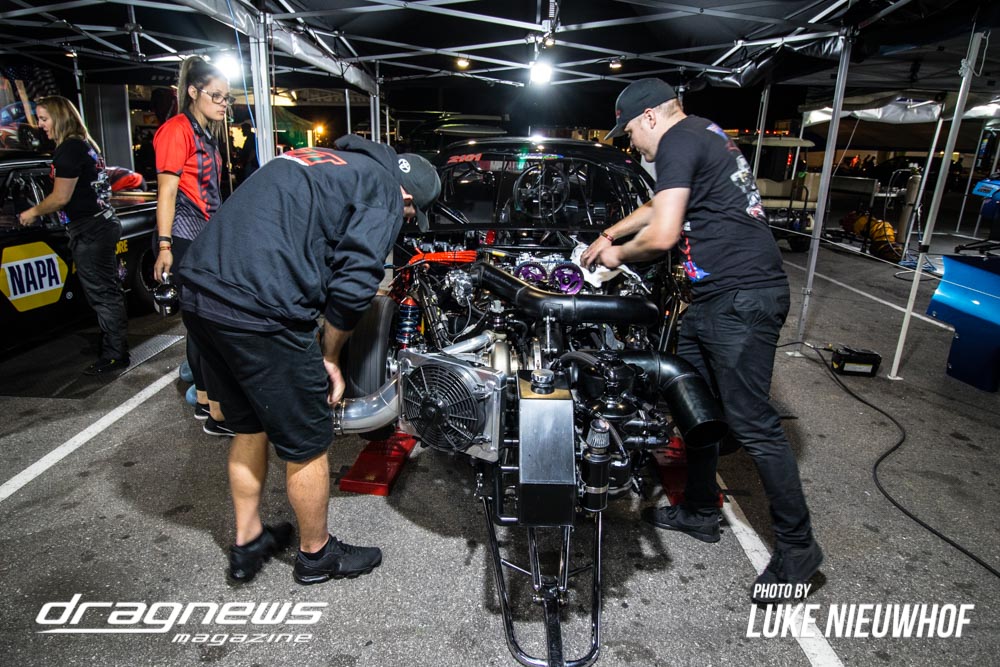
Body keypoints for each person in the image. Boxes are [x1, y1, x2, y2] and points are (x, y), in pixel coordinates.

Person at [581, 78, 822, 604]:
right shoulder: (698, 134)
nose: (631, 144)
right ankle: (699, 509)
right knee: (693, 404)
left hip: (741, 298)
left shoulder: (678, 140)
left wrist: (616, 256)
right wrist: (610, 232)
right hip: (717, 299)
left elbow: (664, 233)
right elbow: (659, 206)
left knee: (753, 424)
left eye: (630, 133)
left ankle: (799, 550)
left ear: (649, 117)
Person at [177, 136, 441, 585]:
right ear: (408, 198)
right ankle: (317, 555)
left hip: (201, 291)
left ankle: (248, 541)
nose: (407, 221)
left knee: (250, 425)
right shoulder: (383, 191)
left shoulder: (329, 161)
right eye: (412, 214)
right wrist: (330, 355)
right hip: (259, 308)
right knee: (309, 440)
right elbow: (354, 286)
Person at [17, 96, 129, 375]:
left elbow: (60, 198)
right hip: (100, 223)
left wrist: (32, 212)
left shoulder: (68, 149)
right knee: (105, 291)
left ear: (60, 117)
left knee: (103, 294)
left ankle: (115, 354)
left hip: (90, 229)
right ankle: (112, 344)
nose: (40, 125)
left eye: (44, 118)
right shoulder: (84, 144)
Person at [153, 56, 233, 436]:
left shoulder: (204, 133)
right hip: (184, 237)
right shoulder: (176, 130)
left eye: (227, 97)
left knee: (200, 326)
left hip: (202, 237)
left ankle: (205, 402)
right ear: (193, 92)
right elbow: (167, 192)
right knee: (206, 324)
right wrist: (165, 245)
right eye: (216, 96)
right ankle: (217, 412)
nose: (223, 103)